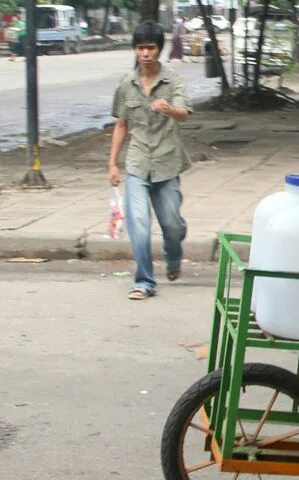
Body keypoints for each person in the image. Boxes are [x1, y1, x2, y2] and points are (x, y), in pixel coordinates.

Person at [108, 21, 192, 301]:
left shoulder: (173, 81)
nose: (145, 53)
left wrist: (169, 109)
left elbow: (184, 113)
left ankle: (173, 255)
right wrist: (112, 163)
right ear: (135, 50)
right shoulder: (126, 83)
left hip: (167, 163)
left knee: (172, 225)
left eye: (150, 48)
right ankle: (144, 281)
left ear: (159, 49)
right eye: (140, 48)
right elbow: (121, 124)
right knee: (139, 224)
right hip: (137, 163)